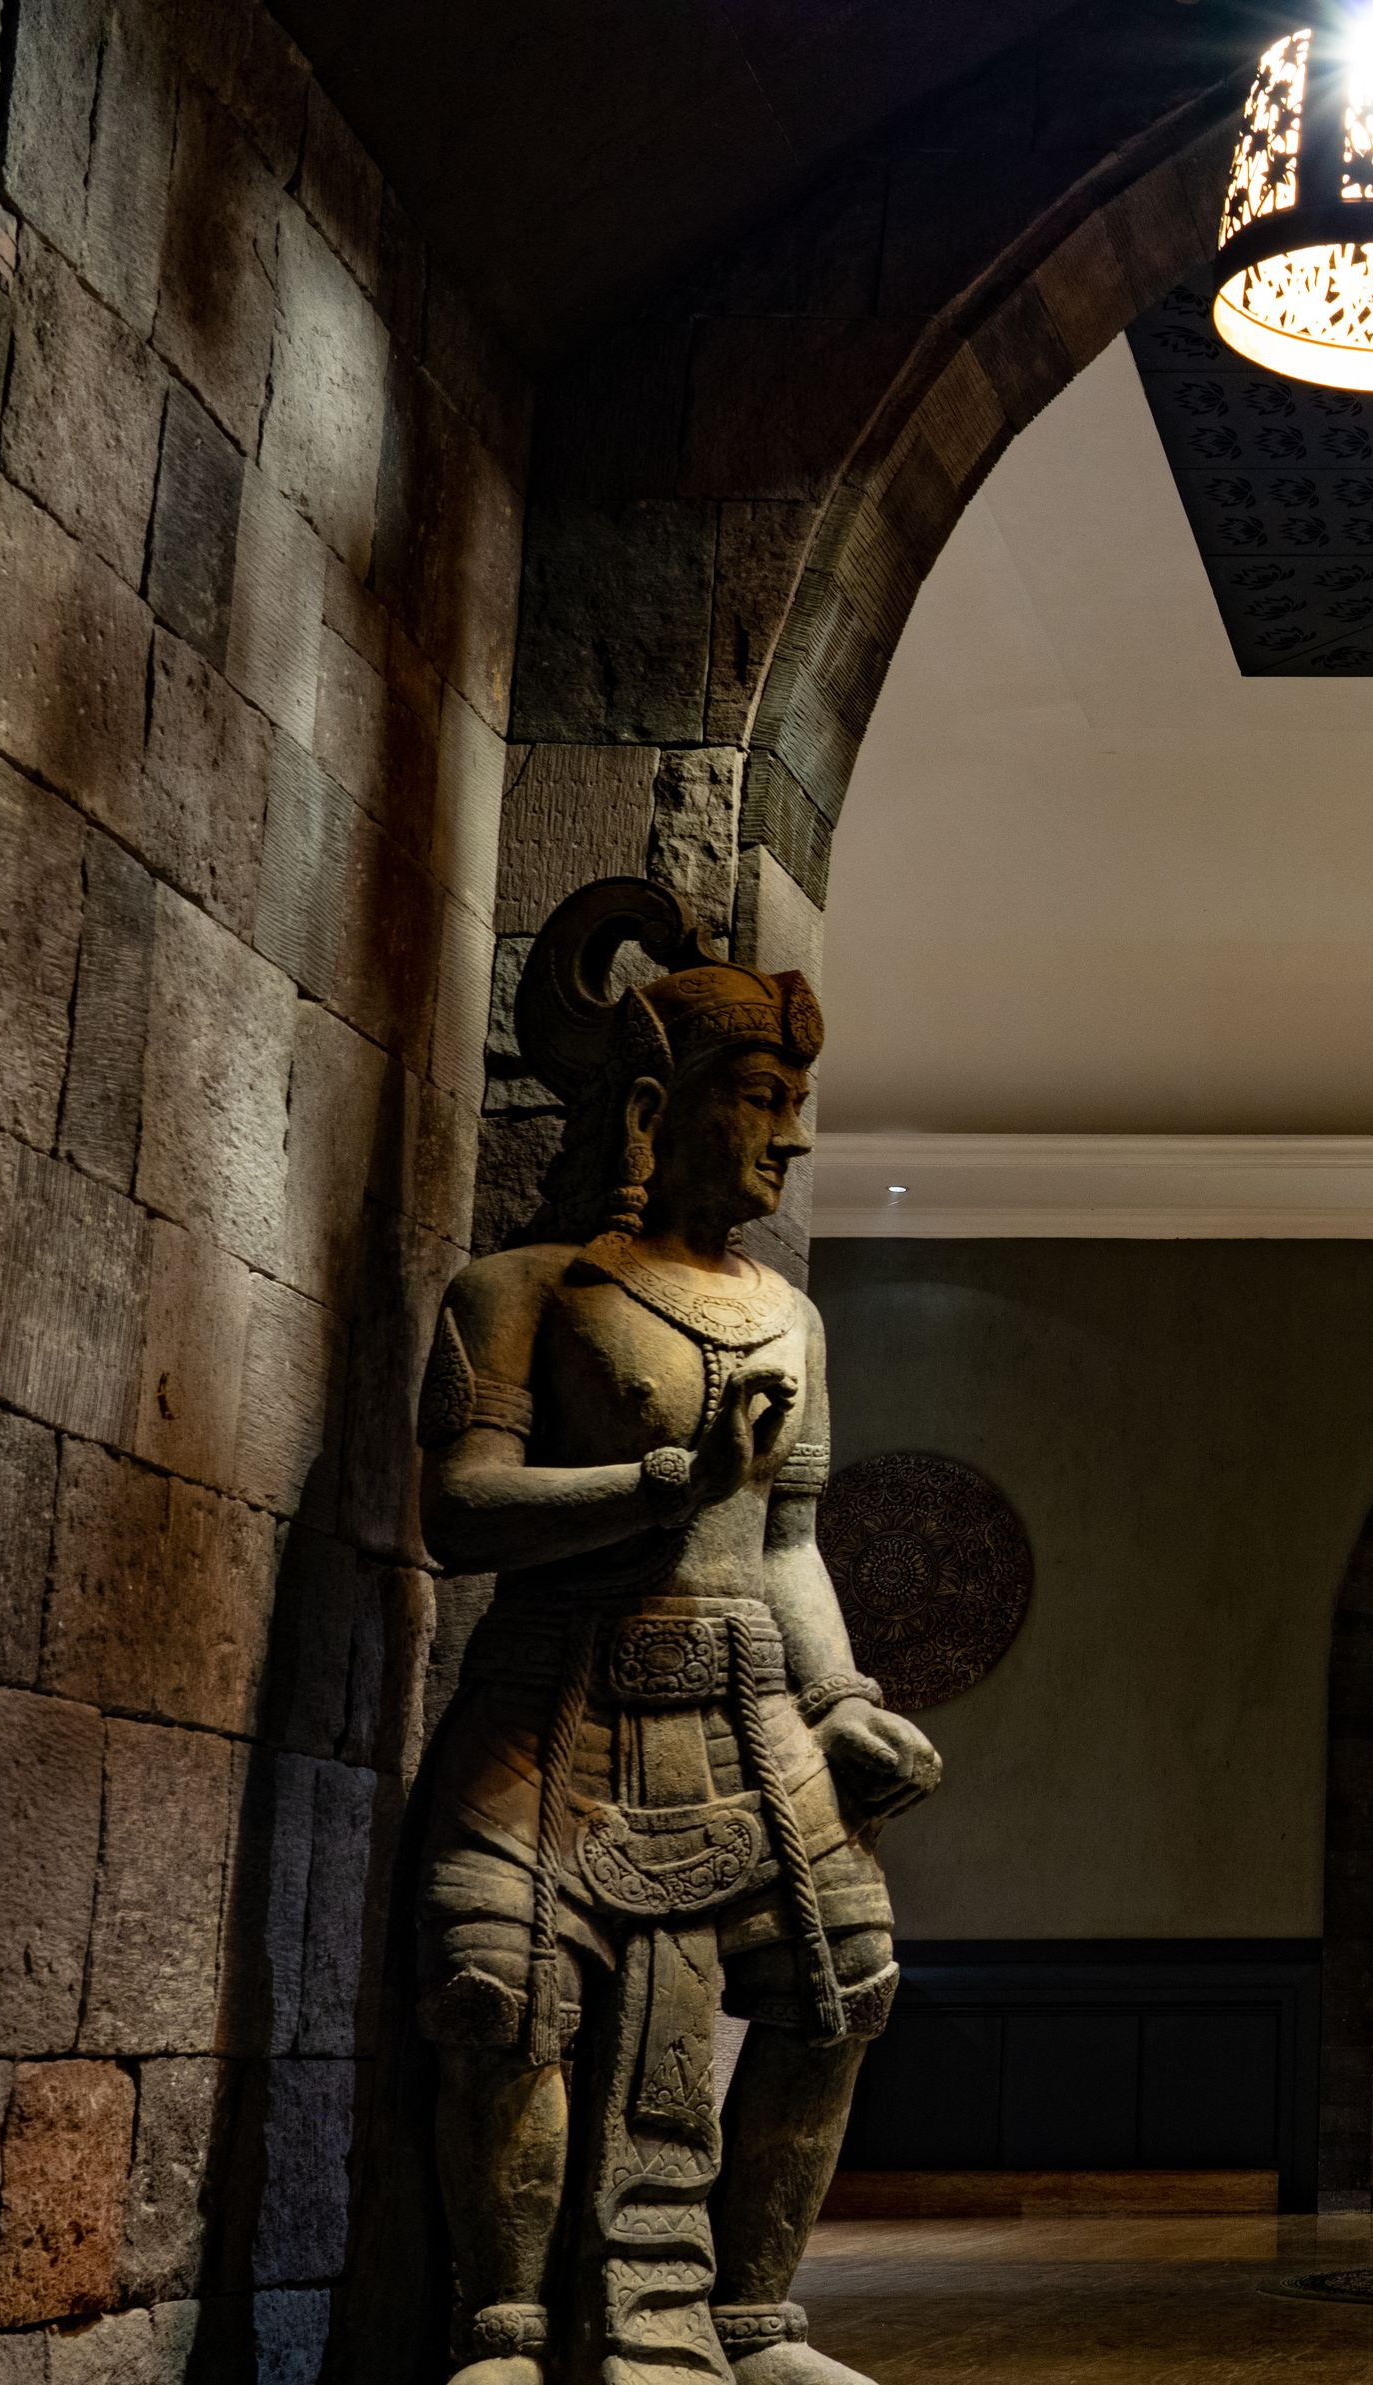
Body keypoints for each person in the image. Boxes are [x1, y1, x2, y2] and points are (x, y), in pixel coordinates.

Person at [414, 880, 942, 2385]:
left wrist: (843, 1700)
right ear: (655, 1108)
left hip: (750, 1712)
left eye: (797, 1104)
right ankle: (505, 2327)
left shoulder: (792, 1318)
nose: (793, 1138)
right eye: (762, 1099)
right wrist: (661, 1484)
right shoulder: (523, 1292)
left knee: (847, 1980)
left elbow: (789, 1540)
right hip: (556, 1707)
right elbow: (462, 1509)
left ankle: (755, 2316)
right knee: (498, 1990)